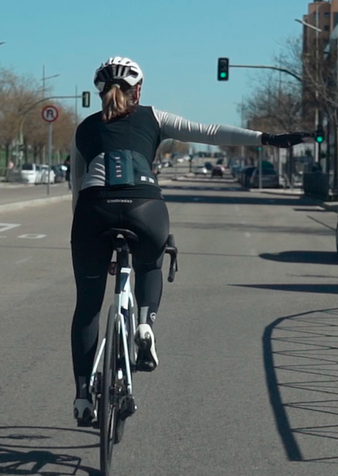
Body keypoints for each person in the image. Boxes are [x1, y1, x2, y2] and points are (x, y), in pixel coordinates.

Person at [70, 56, 311, 425]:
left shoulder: (83, 129)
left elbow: (76, 188)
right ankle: (145, 324)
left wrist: (87, 234)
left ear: (99, 90)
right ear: (138, 90)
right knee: (150, 262)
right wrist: (266, 139)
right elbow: (211, 132)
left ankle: (84, 396)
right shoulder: (154, 117)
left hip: (93, 211)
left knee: (88, 306)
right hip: (145, 208)